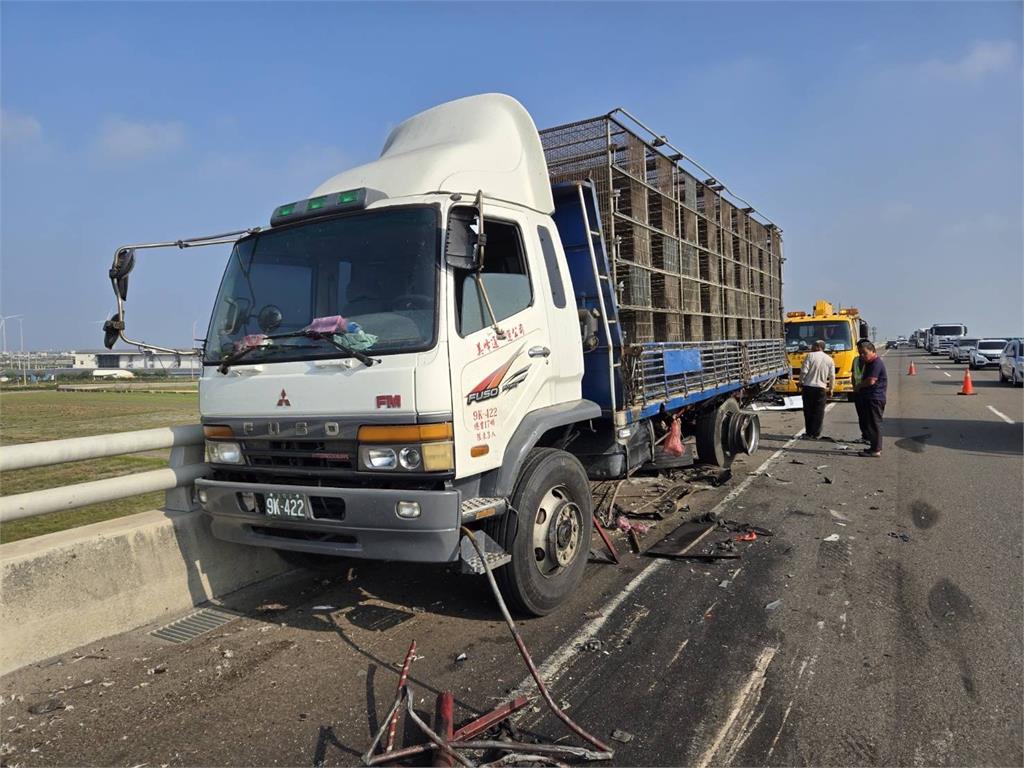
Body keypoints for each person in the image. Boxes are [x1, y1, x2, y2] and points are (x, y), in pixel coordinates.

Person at [854, 341, 887, 457]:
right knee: (870, 424)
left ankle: (876, 449)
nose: (862, 356)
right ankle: (873, 447)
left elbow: (871, 380)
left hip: (875, 397)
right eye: (860, 353)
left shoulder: (876, 363)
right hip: (869, 397)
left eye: (865, 353)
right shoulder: (868, 363)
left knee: (874, 424)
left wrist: (859, 386)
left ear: (873, 351)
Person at [799, 339, 835, 439]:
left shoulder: (810, 356)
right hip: (821, 388)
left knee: (808, 411)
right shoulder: (829, 359)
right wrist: (831, 388)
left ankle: (809, 432)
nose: (811, 348)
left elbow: (804, 371)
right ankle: (816, 433)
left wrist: (800, 382)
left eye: (813, 346)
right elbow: (832, 376)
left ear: (818, 347)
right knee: (819, 412)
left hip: (808, 387)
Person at [851, 339, 870, 444]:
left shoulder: (870, 361)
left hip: (867, 392)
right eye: (858, 348)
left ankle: (870, 437)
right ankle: (864, 436)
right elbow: (853, 375)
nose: (859, 351)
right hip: (858, 393)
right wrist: (854, 387)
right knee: (861, 416)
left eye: (861, 348)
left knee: (869, 416)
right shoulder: (855, 360)